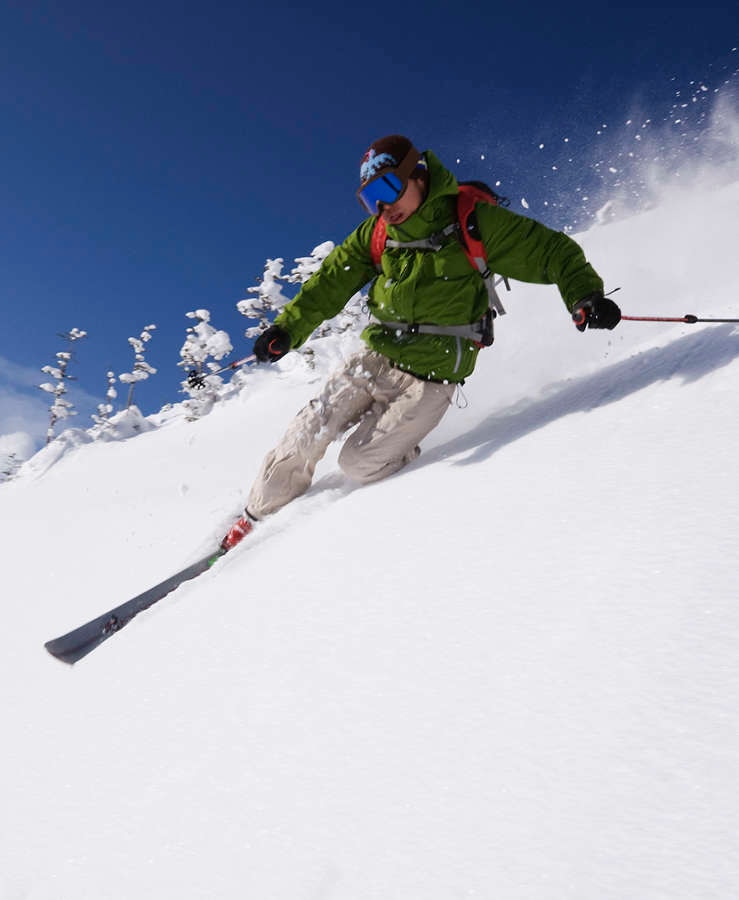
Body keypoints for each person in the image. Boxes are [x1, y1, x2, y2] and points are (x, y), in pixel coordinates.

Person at [221, 134, 621, 549]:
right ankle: (252, 519)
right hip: (375, 357)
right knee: (307, 431)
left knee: (357, 463)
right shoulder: (376, 235)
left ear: (419, 175)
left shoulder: (474, 223)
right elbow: (330, 282)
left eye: (387, 189)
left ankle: (403, 449)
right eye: (369, 198)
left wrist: (584, 294)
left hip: (432, 377)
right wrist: (287, 329)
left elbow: (551, 251)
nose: (382, 207)